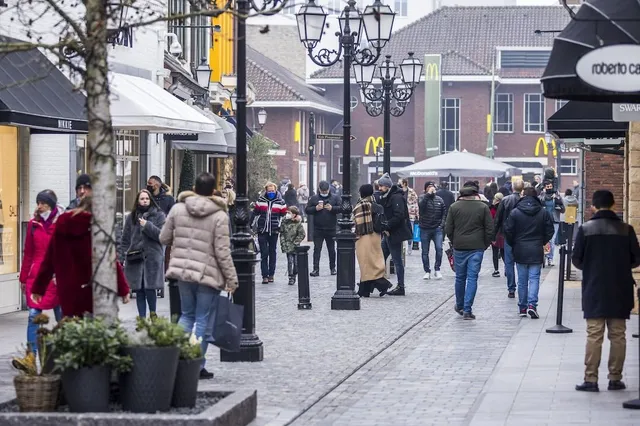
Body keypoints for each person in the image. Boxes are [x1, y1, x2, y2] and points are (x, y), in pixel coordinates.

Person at [160, 172, 238, 380]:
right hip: (208, 274)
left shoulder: (177, 209)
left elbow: (164, 237)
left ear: (194, 188)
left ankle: (175, 358)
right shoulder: (220, 215)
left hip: (184, 272)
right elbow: (223, 251)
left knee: (186, 316)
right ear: (213, 191)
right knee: (202, 320)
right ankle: (196, 364)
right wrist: (232, 279)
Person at [572, 190, 640, 392]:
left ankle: (590, 379)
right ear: (613, 205)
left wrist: (592, 267)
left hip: (594, 287)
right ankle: (615, 378)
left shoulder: (585, 229)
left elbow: (577, 259)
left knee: (594, 334)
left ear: (593, 206)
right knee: (618, 335)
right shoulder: (626, 229)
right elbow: (636, 258)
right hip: (620, 288)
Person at [31, 196, 131, 317]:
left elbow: (48, 260)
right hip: (94, 293)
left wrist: (38, 288)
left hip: (68, 292)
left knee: (73, 330)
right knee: (95, 332)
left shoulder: (63, 223)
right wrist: (123, 290)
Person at [20, 190, 63, 353]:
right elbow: (28, 253)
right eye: (38, 203)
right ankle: (31, 356)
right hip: (36, 275)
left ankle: (66, 351)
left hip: (56, 276)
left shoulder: (61, 224)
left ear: (51, 205)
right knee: (33, 315)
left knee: (62, 316)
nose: (40, 206)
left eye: (43, 203)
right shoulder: (33, 225)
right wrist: (23, 278)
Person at [503, 187, 555, 319]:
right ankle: (532, 305)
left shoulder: (515, 212)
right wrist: (542, 241)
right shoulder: (542, 212)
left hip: (520, 248)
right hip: (536, 248)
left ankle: (522, 307)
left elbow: (508, 230)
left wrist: (514, 243)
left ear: (523, 196)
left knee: (522, 280)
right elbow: (550, 230)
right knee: (534, 278)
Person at [445, 182, 493, 320]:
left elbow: (448, 228)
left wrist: (454, 241)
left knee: (460, 278)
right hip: (477, 247)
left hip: (459, 247)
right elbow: (490, 229)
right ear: (475, 194)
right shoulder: (483, 207)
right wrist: (484, 244)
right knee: (472, 278)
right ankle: (467, 309)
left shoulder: (454, 207)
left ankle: (459, 305)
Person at [118, 190, 166, 319]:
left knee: (150, 288)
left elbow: (162, 236)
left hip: (152, 257)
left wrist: (147, 225)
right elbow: (125, 238)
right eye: (142, 199)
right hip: (135, 257)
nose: (144, 201)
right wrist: (123, 256)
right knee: (139, 289)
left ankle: (153, 313)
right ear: (137, 201)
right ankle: (142, 318)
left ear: (150, 200)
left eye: (146, 198)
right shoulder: (132, 217)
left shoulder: (159, 215)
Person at [353, 184, 392, 297]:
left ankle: (383, 284)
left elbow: (356, 221)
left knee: (366, 263)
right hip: (376, 235)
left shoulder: (361, 205)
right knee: (372, 262)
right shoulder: (375, 203)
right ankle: (364, 290)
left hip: (364, 235)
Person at [377, 173, 413, 296]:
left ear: (387, 186)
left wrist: (387, 226)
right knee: (381, 257)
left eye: (381, 186)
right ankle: (377, 281)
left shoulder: (396, 197)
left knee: (396, 260)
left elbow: (399, 216)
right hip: (389, 233)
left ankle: (401, 286)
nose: (379, 189)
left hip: (395, 233)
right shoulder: (388, 196)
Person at [494, 178, 525, 299]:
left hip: (507, 235)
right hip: (522, 236)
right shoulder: (525, 201)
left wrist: (494, 234)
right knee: (521, 263)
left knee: (509, 263)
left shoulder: (506, 200)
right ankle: (522, 286)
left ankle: (511, 288)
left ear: (512, 188)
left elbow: (498, 219)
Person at [252, 182, 287, 283]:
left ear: (275, 190)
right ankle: (264, 275)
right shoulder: (261, 201)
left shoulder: (281, 202)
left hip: (274, 230)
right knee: (264, 253)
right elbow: (255, 213)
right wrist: (252, 225)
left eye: (272, 191)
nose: (271, 192)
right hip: (262, 230)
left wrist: (280, 227)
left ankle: (271, 274)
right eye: (269, 191)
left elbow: (283, 215)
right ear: (266, 191)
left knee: (272, 252)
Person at [305, 180, 341, 277]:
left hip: (331, 228)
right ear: (319, 189)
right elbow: (307, 210)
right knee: (317, 249)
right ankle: (316, 269)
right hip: (318, 228)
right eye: (323, 191)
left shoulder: (335, 197)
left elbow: (341, 208)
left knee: (331, 249)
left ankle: (333, 268)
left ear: (329, 189)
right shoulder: (314, 198)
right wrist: (315, 209)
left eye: (326, 191)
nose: (324, 193)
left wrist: (332, 208)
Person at [418, 181, 446, 280]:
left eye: (433, 187)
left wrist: (441, 225)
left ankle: (437, 269)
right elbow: (421, 207)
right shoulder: (422, 198)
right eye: (429, 187)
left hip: (437, 229)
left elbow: (444, 213)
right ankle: (427, 270)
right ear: (426, 189)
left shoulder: (439, 199)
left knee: (439, 249)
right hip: (425, 228)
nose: (431, 188)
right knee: (425, 251)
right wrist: (427, 195)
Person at [539, 180, 565, 266]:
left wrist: (557, 202)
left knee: (552, 240)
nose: (549, 188)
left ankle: (550, 258)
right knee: (545, 240)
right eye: (547, 187)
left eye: (550, 187)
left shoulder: (557, 196)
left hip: (554, 220)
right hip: (543, 220)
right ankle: (545, 255)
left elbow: (563, 209)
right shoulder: (541, 196)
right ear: (544, 187)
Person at [280, 206, 306, 285]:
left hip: (295, 246)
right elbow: (282, 233)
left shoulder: (297, 223)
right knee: (290, 262)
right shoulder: (284, 222)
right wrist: (283, 243)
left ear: (294, 214)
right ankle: (291, 277)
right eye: (287, 212)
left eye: (289, 213)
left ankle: (295, 273)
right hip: (287, 246)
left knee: (296, 262)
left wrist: (296, 242)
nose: (287, 214)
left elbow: (302, 234)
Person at [400, 179, 419, 255]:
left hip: (410, 213)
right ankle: (401, 246)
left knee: (410, 230)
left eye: (400, 182)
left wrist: (417, 214)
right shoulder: (399, 191)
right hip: (401, 213)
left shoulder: (411, 192)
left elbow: (415, 203)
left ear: (404, 184)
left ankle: (409, 246)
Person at [489, 193, 505, 277]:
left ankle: (496, 270)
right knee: (503, 251)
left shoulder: (492, 208)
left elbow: (490, 220)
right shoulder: (504, 207)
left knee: (495, 252)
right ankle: (507, 268)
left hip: (495, 232)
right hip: (502, 232)